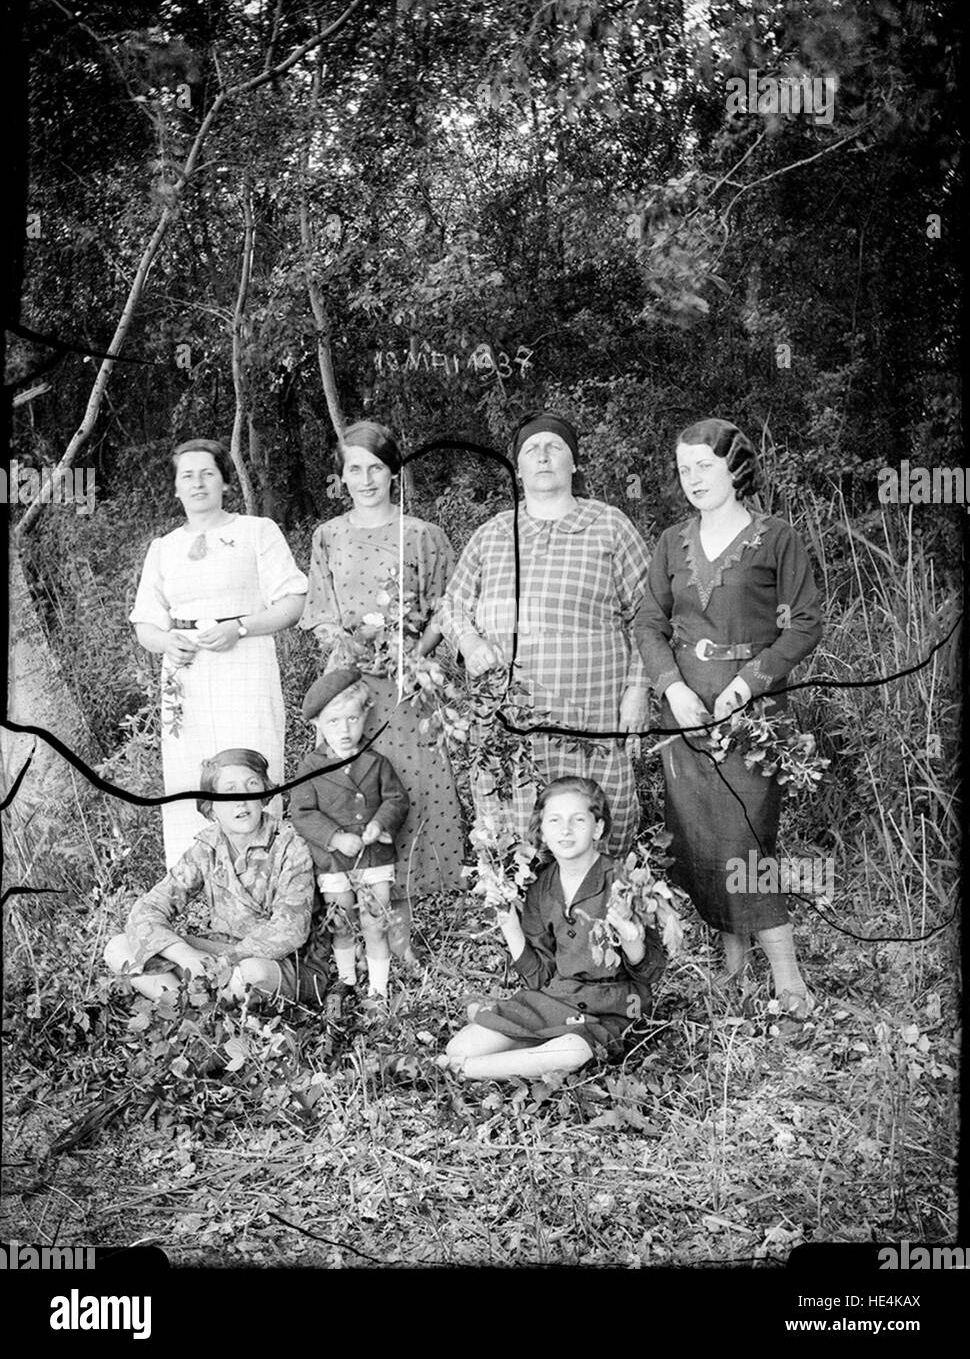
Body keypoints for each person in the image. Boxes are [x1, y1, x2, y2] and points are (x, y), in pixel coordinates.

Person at [634, 418, 823, 1017]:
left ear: (734, 467)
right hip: (685, 716)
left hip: (753, 716)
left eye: (705, 466)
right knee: (700, 836)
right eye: (684, 468)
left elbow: (806, 624)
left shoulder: (777, 540)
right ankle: (734, 963)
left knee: (745, 838)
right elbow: (647, 623)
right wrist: (670, 687)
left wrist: (749, 683)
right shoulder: (670, 541)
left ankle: (788, 979)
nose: (693, 479)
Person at [437, 410, 651, 857]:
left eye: (555, 447)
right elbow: (452, 606)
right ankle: (526, 915)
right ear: (518, 467)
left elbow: (648, 615)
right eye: (531, 450)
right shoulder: (492, 534)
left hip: (593, 716)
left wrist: (637, 688)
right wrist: (471, 643)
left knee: (597, 825)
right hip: (510, 722)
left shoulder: (610, 526)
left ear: (574, 463)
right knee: (514, 832)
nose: (543, 457)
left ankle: (601, 914)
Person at [300, 420, 465, 959]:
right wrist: (345, 644)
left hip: (407, 682)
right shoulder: (328, 536)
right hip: (352, 686)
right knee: (357, 797)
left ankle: (403, 930)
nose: (366, 478)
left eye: (376, 468)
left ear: (394, 472)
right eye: (355, 469)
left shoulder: (422, 535)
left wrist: (418, 651)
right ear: (342, 475)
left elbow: (447, 606)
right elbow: (320, 612)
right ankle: (364, 930)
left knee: (409, 796)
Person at [130, 439, 307, 868]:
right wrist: (166, 641)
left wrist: (240, 627)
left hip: (244, 659)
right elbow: (145, 623)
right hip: (185, 673)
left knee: (249, 756)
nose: (198, 483)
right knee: (191, 769)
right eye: (187, 476)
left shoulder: (257, 531)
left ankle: (265, 870)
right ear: (175, 488)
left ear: (225, 480)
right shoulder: (163, 548)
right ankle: (198, 880)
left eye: (207, 473)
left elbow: (292, 603)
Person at [437, 777, 665, 1080]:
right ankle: (506, 1056)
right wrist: (508, 921)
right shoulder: (542, 886)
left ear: (597, 828)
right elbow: (540, 977)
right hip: (555, 1000)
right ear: (542, 830)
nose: (566, 830)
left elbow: (651, 973)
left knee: (572, 1052)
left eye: (578, 820)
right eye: (555, 820)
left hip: (611, 1010)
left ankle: (464, 1071)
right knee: (460, 1045)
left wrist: (631, 937)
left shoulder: (623, 881)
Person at [104, 748, 330, 1005]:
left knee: (252, 974)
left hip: (285, 965)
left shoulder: (290, 844)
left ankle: (202, 1000)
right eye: (229, 791)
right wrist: (185, 956)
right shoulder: (206, 847)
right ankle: (185, 1007)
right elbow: (149, 907)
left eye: (252, 786)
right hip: (219, 953)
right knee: (119, 948)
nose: (242, 800)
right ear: (211, 809)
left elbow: (291, 929)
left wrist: (224, 963)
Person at [290, 669, 410, 1002]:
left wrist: (381, 825)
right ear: (317, 724)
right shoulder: (310, 768)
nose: (344, 730)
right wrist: (335, 837)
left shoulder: (376, 761)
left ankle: (378, 987)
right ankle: (346, 979)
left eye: (352, 719)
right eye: (333, 722)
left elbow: (396, 799)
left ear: (366, 714)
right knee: (340, 921)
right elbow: (301, 812)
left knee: (375, 921)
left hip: (374, 858)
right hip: (333, 862)